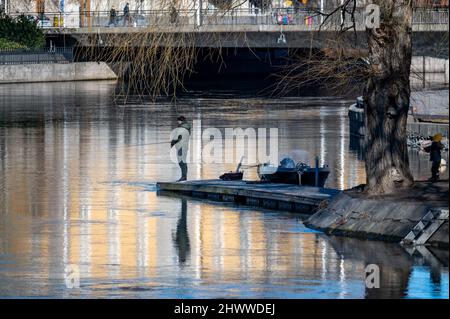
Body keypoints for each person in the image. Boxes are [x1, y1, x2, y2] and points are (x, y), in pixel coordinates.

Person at [170, 116, 191, 182]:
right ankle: (184, 176)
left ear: (181, 121)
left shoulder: (181, 128)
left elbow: (177, 137)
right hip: (184, 146)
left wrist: (173, 142)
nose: (177, 122)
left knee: (181, 162)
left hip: (181, 147)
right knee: (183, 161)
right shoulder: (187, 127)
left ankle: (183, 177)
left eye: (178, 121)